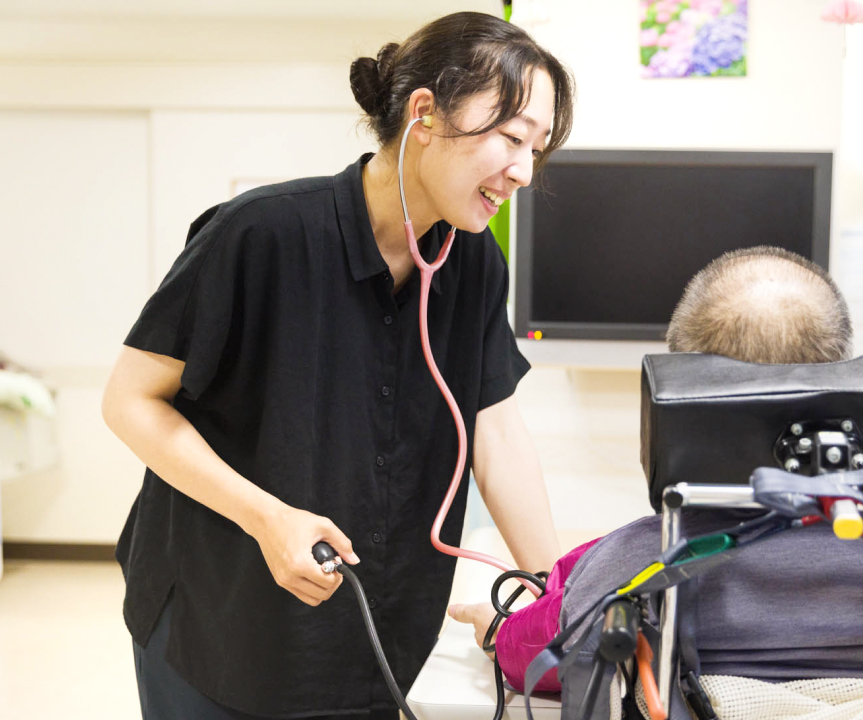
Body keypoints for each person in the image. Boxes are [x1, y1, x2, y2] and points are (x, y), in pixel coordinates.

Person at [101, 12, 573, 720]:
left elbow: (495, 431)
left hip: (374, 632)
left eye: (538, 148)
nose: (525, 171)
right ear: (424, 114)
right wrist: (266, 518)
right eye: (511, 137)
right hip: (220, 623)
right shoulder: (260, 236)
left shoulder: (472, 263)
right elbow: (130, 402)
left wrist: (559, 596)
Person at [448, 246, 863, 695]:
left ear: (690, 394)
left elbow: (535, 658)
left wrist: (497, 629)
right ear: (844, 374)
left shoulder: (641, 562)